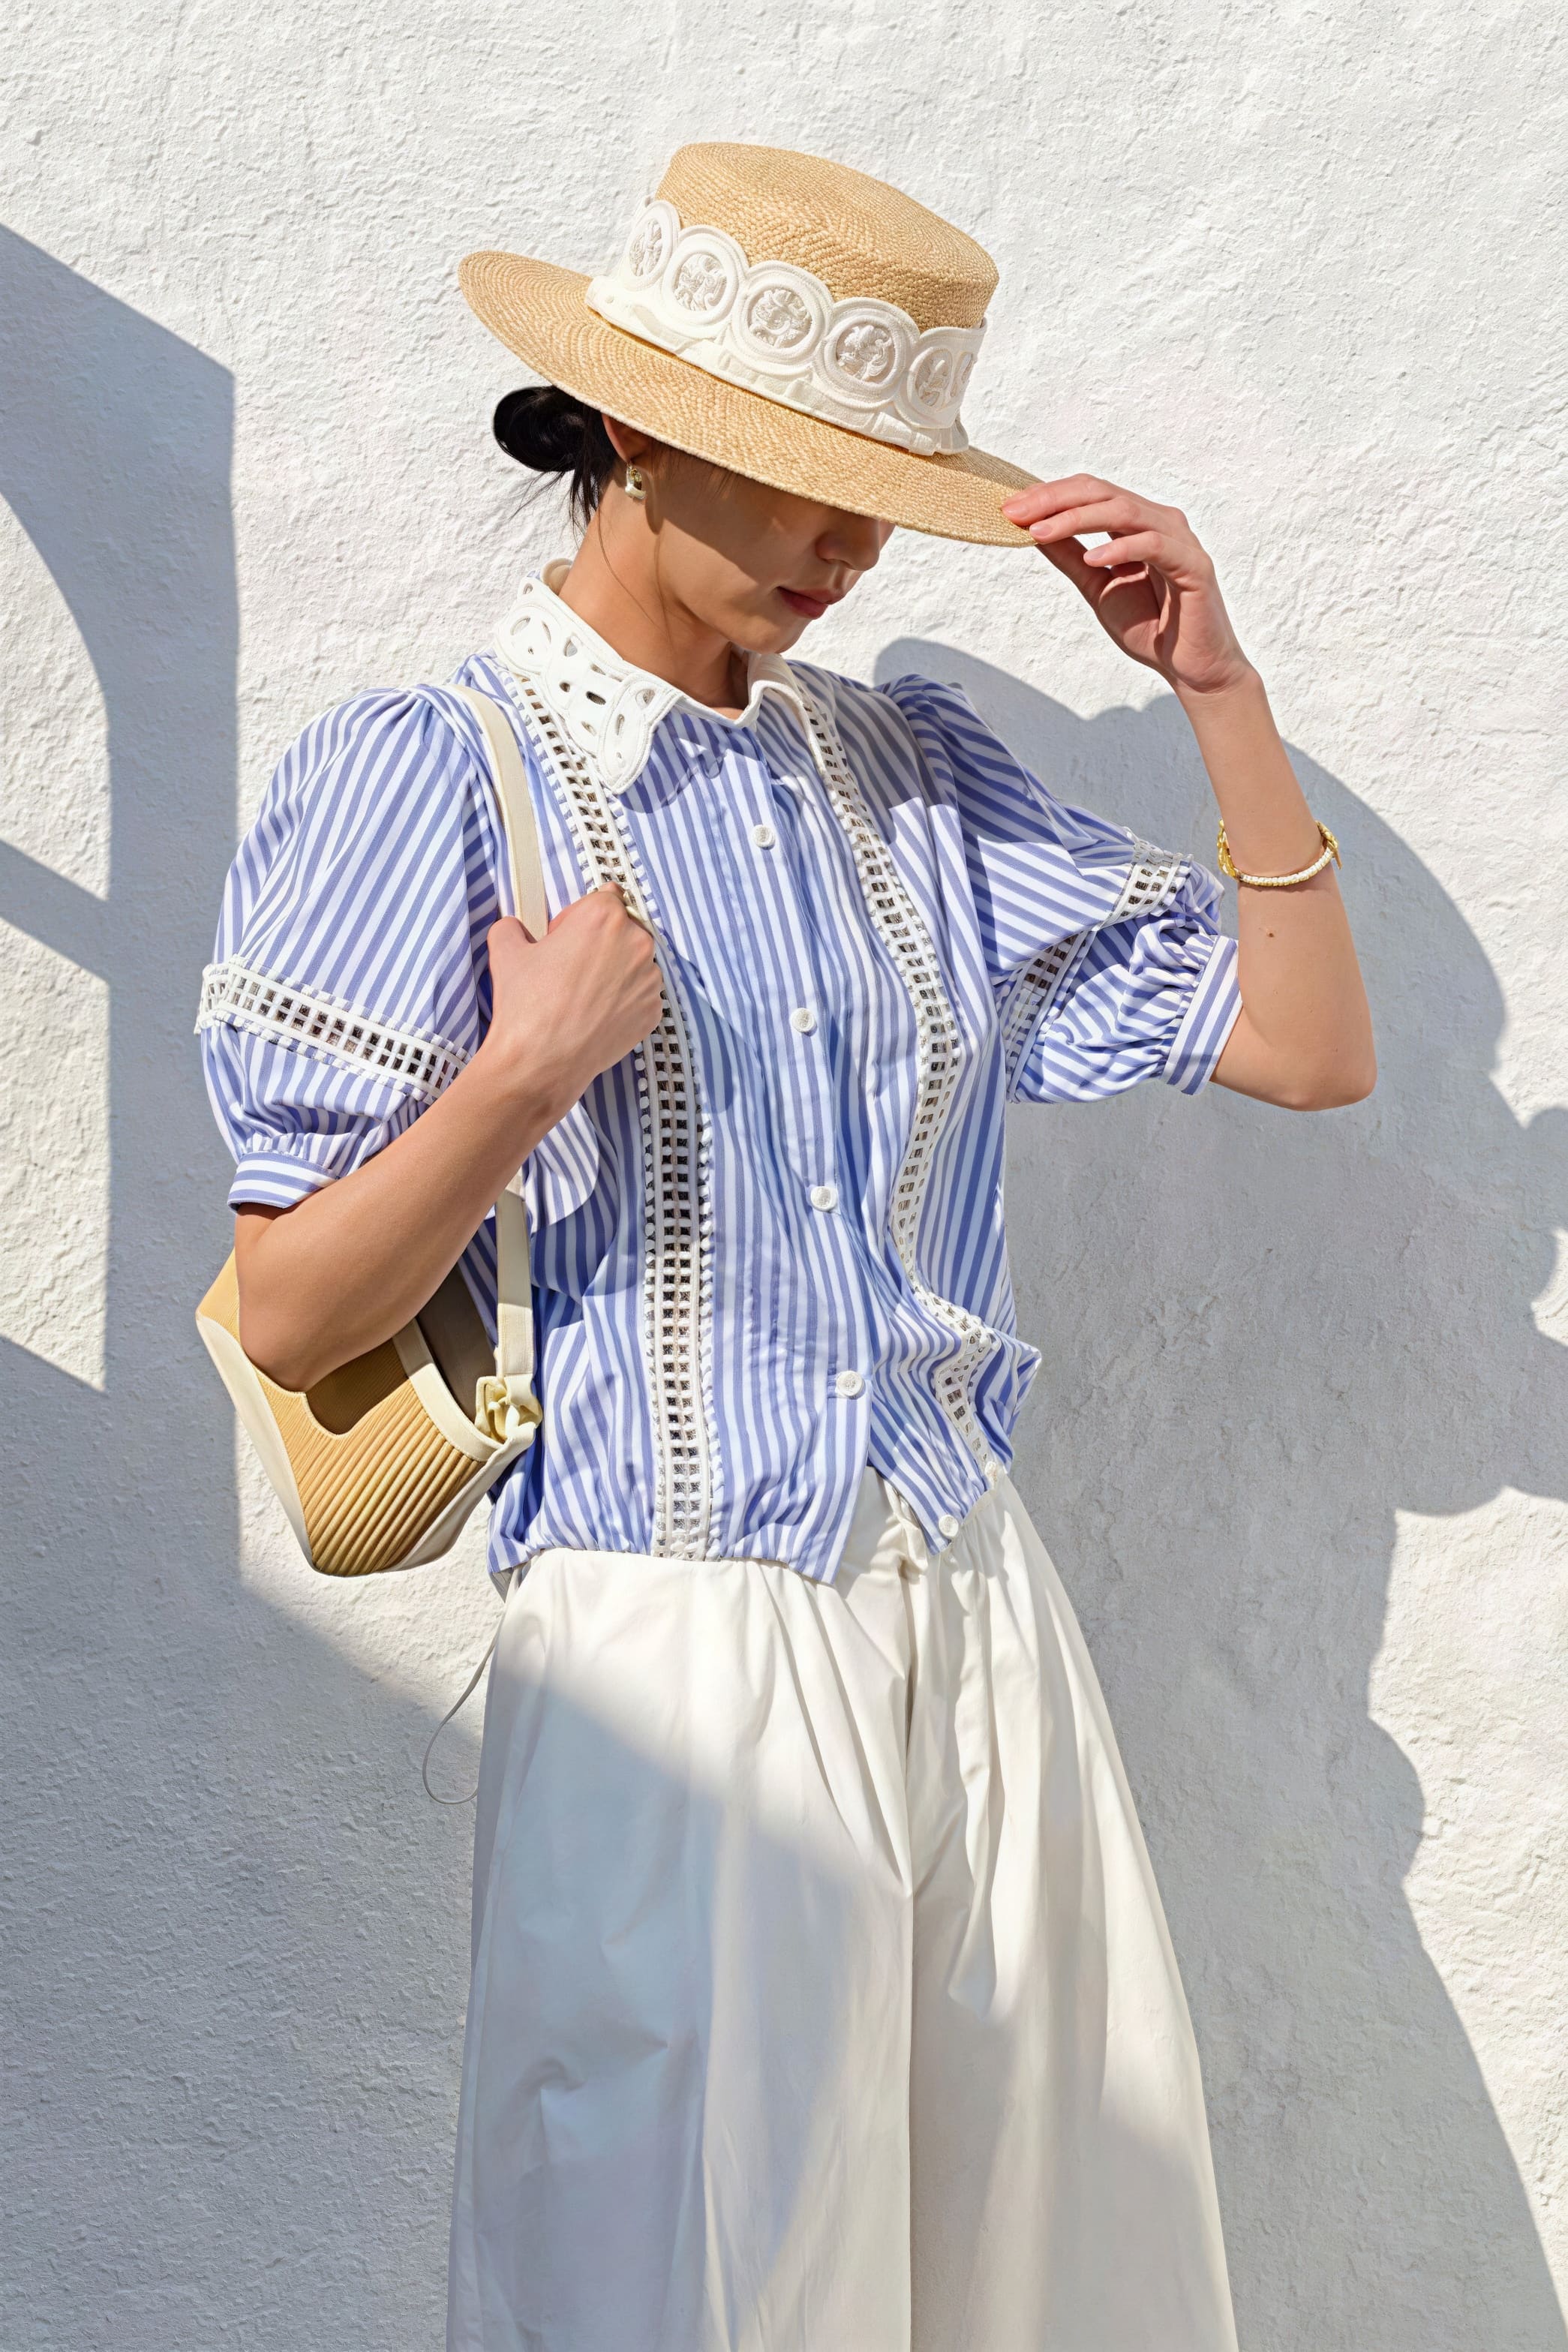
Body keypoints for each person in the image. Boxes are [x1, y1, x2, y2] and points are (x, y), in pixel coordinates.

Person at [199, 143, 1372, 2352]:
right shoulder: (425, 776)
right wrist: (518, 1078)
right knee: (682, 2287)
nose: (847, 546)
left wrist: (1215, 687)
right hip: (683, 1646)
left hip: (973, 1608)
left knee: (1055, 2280)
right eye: (798, 479)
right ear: (633, 435)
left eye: (879, 494)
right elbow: (289, 1304)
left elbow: (1301, 1053)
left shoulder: (905, 773)